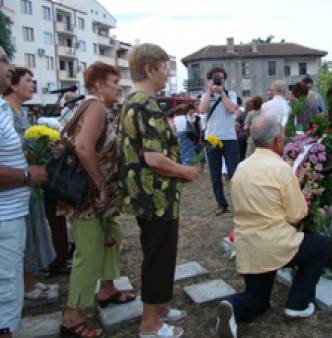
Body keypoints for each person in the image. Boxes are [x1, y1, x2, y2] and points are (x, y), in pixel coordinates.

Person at [215, 115, 331, 338]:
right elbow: (297, 215)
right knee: (321, 247)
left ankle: (232, 307)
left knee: (258, 301)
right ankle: (297, 304)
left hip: (249, 248)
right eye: (284, 137)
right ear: (277, 141)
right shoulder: (281, 169)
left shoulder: (241, 168)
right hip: (277, 245)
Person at [117, 43, 200, 338]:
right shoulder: (145, 104)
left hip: (147, 194)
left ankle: (160, 309)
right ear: (150, 69)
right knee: (158, 257)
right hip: (155, 197)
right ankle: (150, 325)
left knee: (160, 253)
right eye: (164, 67)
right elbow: (154, 158)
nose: (167, 74)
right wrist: (185, 171)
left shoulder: (131, 101)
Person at [59, 62, 135, 338]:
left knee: (111, 236)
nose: (118, 87)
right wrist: (101, 186)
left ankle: (106, 289)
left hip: (98, 197)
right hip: (89, 197)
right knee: (88, 253)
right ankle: (72, 317)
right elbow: (82, 147)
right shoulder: (95, 107)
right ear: (99, 85)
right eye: (114, 82)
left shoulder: (92, 107)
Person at [0, 46, 47, 338]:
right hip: (3, 219)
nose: (9, 65)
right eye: (3, 59)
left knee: (10, 288)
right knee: (4, 292)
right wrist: (28, 175)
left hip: (12, 215)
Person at [4, 67, 57, 301]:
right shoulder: (6, 112)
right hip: (12, 188)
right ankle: (25, 284)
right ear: (13, 85)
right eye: (27, 81)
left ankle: (30, 279)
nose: (33, 85)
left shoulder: (21, 112)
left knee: (32, 231)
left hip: (27, 186)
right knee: (22, 235)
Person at [198, 67, 239, 216]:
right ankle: (221, 204)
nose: (218, 80)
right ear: (209, 80)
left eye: (221, 78)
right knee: (215, 174)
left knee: (234, 172)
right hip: (212, 138)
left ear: (224, 80)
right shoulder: (206, 95)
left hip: (229, 137)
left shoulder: (230, 94)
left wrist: (221, 93)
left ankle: (239, 203)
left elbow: (231, 110)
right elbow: (202, 109)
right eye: (215, 78)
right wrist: (209, 92)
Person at [235, 98, 249, 162]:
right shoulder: (256, 113)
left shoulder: (242, 114)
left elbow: (237, 126)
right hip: (251, 137)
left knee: (241, 155)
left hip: (241, 136)